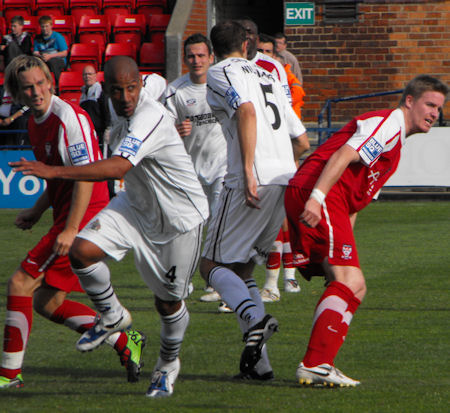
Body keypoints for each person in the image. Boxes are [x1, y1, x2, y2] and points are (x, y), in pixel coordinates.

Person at [11, 56, 209, 398]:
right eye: (117, 90)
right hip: (136, 204)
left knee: (168, 304)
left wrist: (53, 172)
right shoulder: (117, 108)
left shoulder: (148, 115)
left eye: (132, 88)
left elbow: (117, 167)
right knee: (82, 251)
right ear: (108, 89)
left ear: (139, 85)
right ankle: (113, 315)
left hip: (179, 218)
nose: (126, 97)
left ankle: (166, 365)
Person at [285, 74, 448, 387]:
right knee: (349, 279)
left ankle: (321, 363)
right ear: (410, 101)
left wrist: (346, 246)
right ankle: (315, 362)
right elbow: (343, 155)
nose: (434, 113)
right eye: (429, 104)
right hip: (318, 191)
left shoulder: (396, 145)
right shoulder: (389, 123)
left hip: (327, 199)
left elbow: (354, 204)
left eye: (439, 109)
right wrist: (317, 198)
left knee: (354, 284)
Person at [0, 55, 145, 390]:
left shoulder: (69, 118)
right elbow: (60, 176)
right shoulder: (37, 121)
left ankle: (9, 374)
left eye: (40, 84)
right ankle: (125, 342)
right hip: (69, 215)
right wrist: (37, 210)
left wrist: (70, 230)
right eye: (27, 88)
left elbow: (86, 178)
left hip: (84, 216)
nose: (36, 92)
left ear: (51, 81)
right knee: (47, 303)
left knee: (20, 284)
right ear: (18, 94)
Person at [199, 20, 309, 380]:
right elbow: (302, 141)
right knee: (243, 268)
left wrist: (247, 169)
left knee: (210, 264)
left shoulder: (220, 72)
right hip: (283, 177)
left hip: (251, 179)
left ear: (214, 52)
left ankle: (255, 318)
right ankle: (259, 366)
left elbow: (245, 110)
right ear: (247, 45)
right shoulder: (270, 75)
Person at [164, 33, 228, 308]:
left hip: (223, 167)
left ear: (211, 57)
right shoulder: (175, 90)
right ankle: (185, 280)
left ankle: (222, 287)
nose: (196, 60)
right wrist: (176, 131)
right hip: (190, 171)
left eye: (201, 55)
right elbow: (161, 131)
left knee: (220, 227)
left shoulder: (223, 85)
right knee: (189, 228)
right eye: (191, 56)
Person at [256, 33, 308, 302]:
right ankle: (286, 276)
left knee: (280, 218)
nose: (264, 55)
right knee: (279, 219)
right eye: (260, 50)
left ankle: (277, 281)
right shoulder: (258, 76)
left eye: (268, 50)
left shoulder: (283, 76)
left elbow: (294, 112)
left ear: (276, 53)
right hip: (270, 151)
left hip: (283, 151)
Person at [79, 65, 110, 147]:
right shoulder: (82, 93)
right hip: (87, 132)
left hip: (100, 132)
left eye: (90, 74)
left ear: (95, 75)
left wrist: (108, 128)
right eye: (85, 74)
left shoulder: (100, 91)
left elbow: (106, 110)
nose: (87, 76)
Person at [33, 16, 68, 85]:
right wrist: (41, 56)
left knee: (52, 62)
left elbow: (64, 53)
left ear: (51, 26)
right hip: (44, 58)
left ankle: (57, 84)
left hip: (57, 59)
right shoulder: (37, 38)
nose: (45, 29)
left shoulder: (58, 36)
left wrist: (50, 56)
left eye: (47, 26)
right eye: (43, 27)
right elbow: (35, 52)